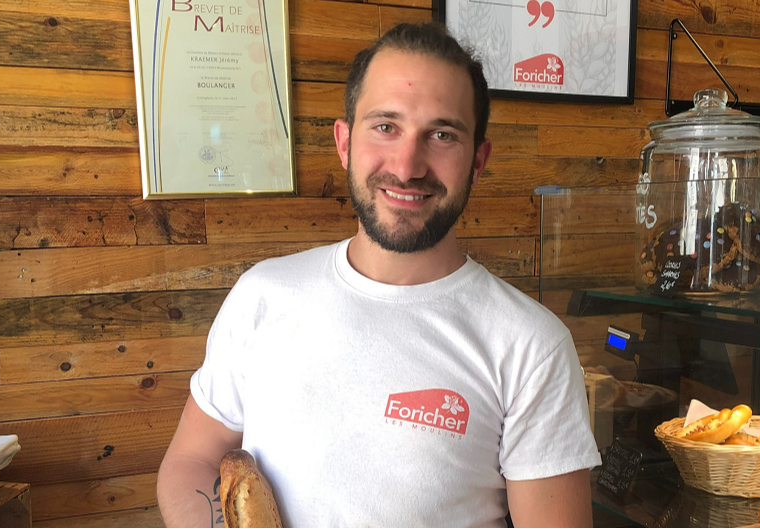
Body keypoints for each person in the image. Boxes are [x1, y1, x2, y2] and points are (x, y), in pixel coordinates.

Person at [157, 22, 601, 528]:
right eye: (386, 126)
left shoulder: (531, 346)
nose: (407, 166)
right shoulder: (263, 296)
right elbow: (191, 459)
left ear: (478, 161)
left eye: (442, 135)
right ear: (345, 142)